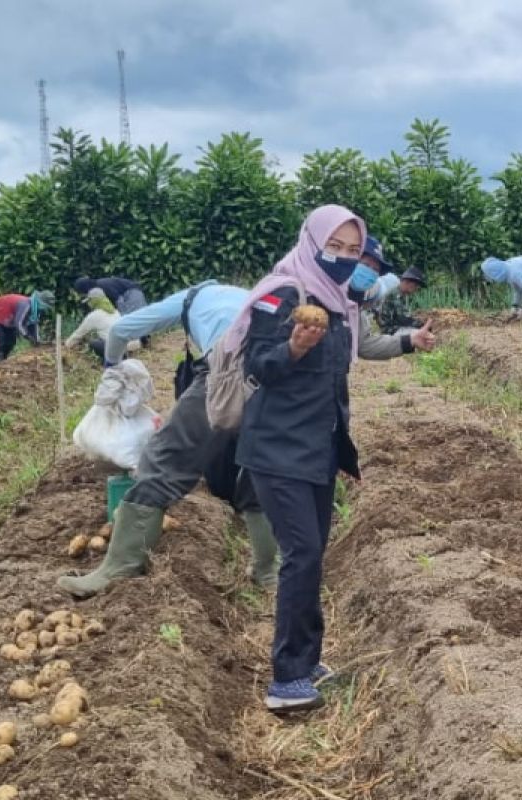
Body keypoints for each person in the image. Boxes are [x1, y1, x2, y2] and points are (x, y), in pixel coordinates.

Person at [58, 261, 432, 602]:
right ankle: (268, 572)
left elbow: (123, 328)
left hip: (227, 375)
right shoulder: (259, 295)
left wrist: (112, 364)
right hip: (276, 377)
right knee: (256, 467)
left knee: (165, 459)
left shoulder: (190, 299)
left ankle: (119, 567)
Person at [229, 204, 365, 713]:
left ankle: (307, 659)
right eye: (337, 247)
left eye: (354, 250)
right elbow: (257, 365)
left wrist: (343, 453)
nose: (345, 258)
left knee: (312, 557)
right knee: (301, 555)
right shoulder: (282, 293)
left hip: (317, 450)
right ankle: (285, 678)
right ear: (313, 242)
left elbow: (335, 385)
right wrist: (292, 349)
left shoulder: (338, 299)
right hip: (276, 448)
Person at [64, 288, 139, 360]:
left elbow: (79, 334)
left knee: (94, 343)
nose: (88, 304)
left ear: (94, 301)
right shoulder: (115, 311)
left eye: (89, 301)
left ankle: (116, 358)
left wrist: (66, 345)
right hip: (132, 344)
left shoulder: (94, 315)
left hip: (119, 347)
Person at [0, 290, 54, 361]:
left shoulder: (35, 311)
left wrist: (36, 340)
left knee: (11, 341)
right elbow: (19, 323)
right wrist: (27, 336)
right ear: (41, 302)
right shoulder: (25, 305)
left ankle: (3, 360)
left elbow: (33, 324)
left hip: (5, 319)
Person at [376, 267, 426, 335]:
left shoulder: (400, 294)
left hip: (393, 326)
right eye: (415, 285)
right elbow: (404, 319)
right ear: (407, 282)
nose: (416, 288)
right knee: (417, 334)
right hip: (388, 330)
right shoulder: (395, 295)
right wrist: (423, 324)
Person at [73, 275, 148, 317]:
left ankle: (143, 338)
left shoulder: (102, 285)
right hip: (127, 293)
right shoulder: (97, 287)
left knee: (133, 316)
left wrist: (120, 315)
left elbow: (119, 300)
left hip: (132, 291)